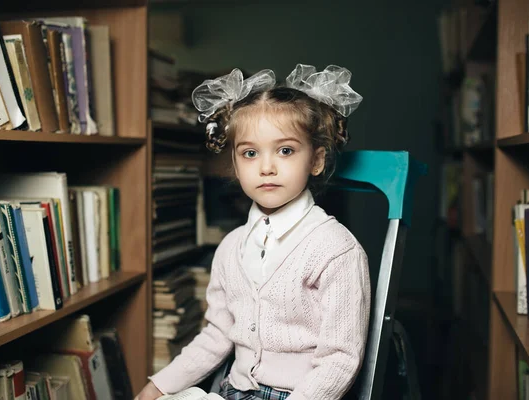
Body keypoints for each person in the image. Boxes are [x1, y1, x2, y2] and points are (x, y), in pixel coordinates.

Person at [137, 64, 371, 400]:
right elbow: (217, 336)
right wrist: (156, 387)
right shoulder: (231, 248)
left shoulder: (335, 249)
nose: (266, 167)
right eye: (250, 153)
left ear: (316, 160)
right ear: (235, 163)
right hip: (234, 391)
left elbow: (339, 360)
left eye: (285, 150)